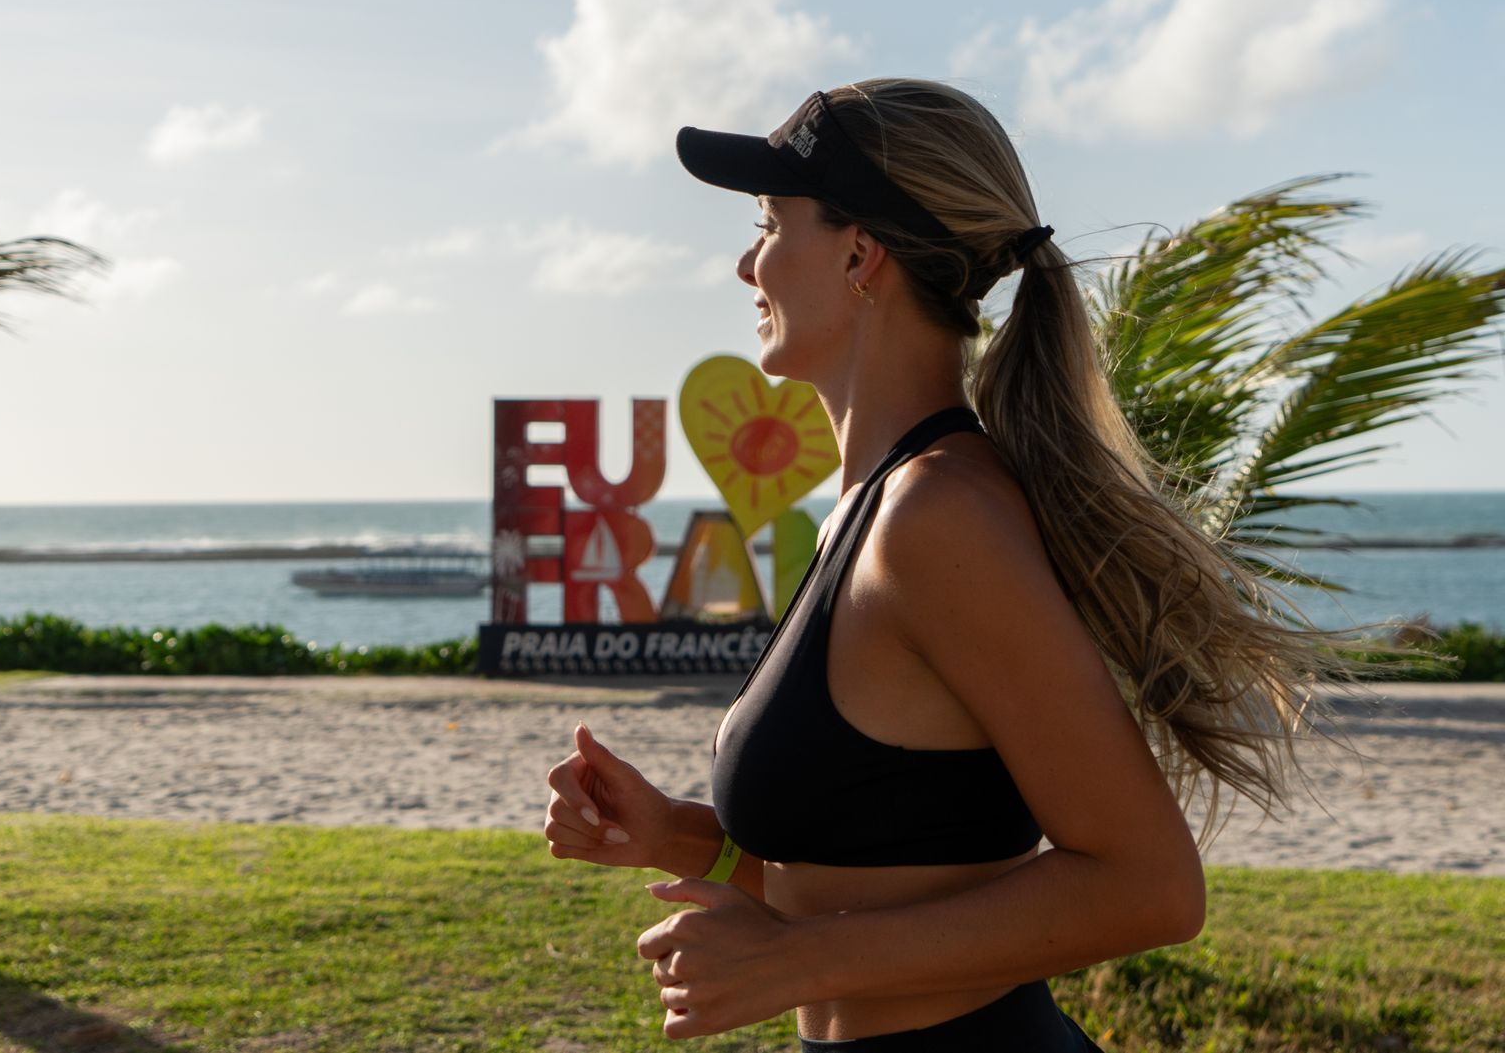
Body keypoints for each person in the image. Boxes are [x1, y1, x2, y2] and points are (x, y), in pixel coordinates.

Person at [542, 79, 1345, 1049]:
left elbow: (1151, 888)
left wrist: (791, 964)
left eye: (766, 224)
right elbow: (885, 881)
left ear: (857, 253)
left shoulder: (937, 519)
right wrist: (676, 837)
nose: (745, 265)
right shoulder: (875, 506)